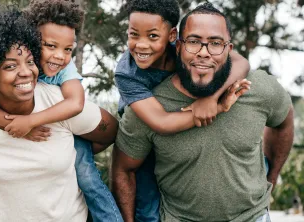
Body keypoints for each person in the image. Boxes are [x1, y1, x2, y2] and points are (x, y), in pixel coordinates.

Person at [112, 2, 294, 222]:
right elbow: (124, 169)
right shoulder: (144, 104)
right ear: (178, 45)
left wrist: (271, 178)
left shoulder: (258, 87)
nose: (204, 53)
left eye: (216, 43)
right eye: (194, 42)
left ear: (229, 49)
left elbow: (284, 122)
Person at [0, 1, 123, 222]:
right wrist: (10, 125)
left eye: (68, 49)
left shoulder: (61, 84)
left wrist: (33, 123)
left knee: (88, 178)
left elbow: (82, 109)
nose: (59, 56)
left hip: (69, 132)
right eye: (10, 66)